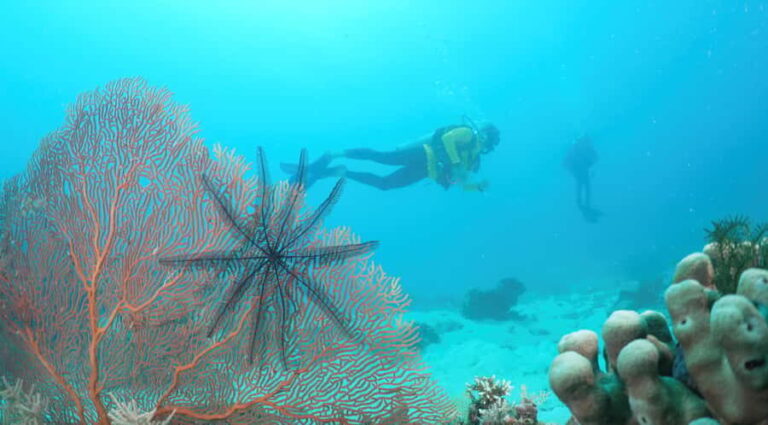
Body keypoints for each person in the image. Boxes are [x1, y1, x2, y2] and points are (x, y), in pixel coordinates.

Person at [283, 119, 500, 192]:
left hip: (426, 171)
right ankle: (335, 154)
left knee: (385, 185)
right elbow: (447, 140)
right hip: (423, 154)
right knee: (382, 157)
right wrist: (453, 161)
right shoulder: (467, 134)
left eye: (485, 143)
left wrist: (476, 186)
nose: (481, 142)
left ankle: (341, 172)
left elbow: (461, 181)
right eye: (482, 138)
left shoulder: (474, 160)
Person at [563, 134, 602, 222]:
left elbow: (595, 158)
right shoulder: (575, 149)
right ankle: (582, 205)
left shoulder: (584, 148)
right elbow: (566, 163)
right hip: (579, 172)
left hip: (582, 171)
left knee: (585, 187)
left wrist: (591, 168)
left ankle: (584, 205)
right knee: (583, 186)